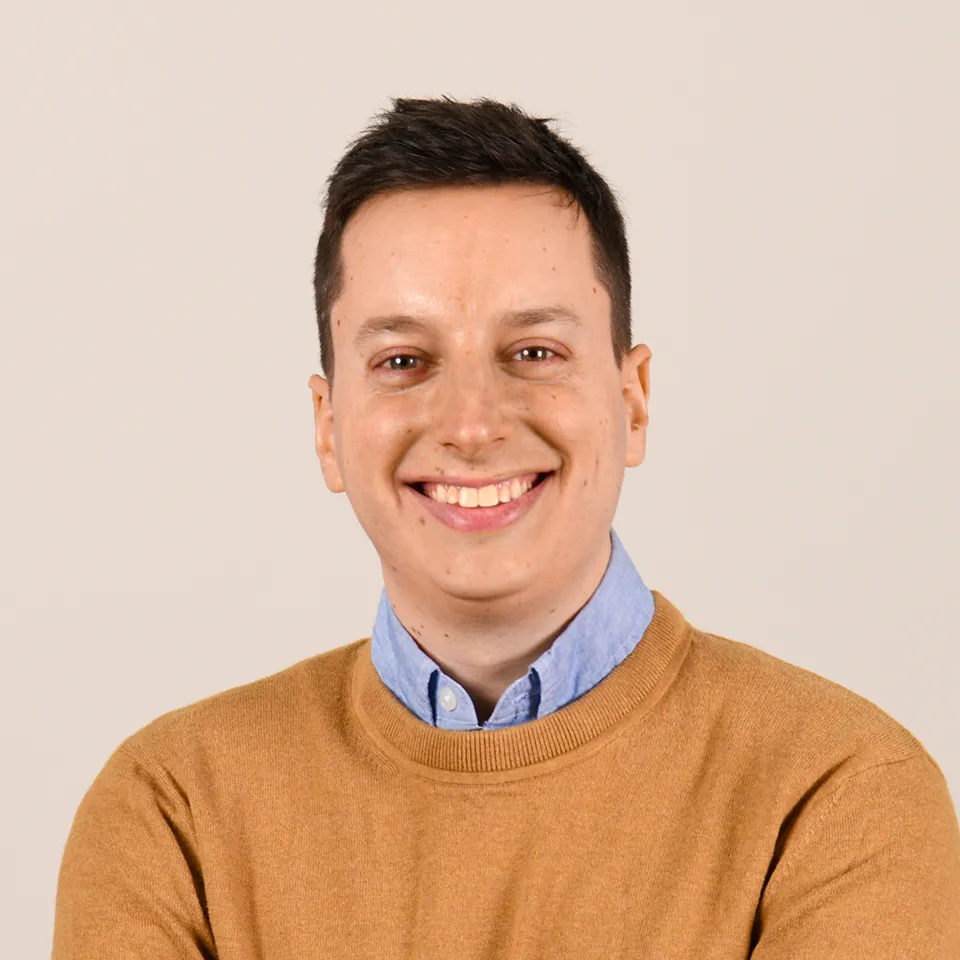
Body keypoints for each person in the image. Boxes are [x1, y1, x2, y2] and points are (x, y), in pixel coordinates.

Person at [53, 96, 960, 959]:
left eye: (534, 353)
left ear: (633, 402)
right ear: (327, 429)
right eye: (403, 360)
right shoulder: (173, 812)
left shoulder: (838, 791)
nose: (473, 423)